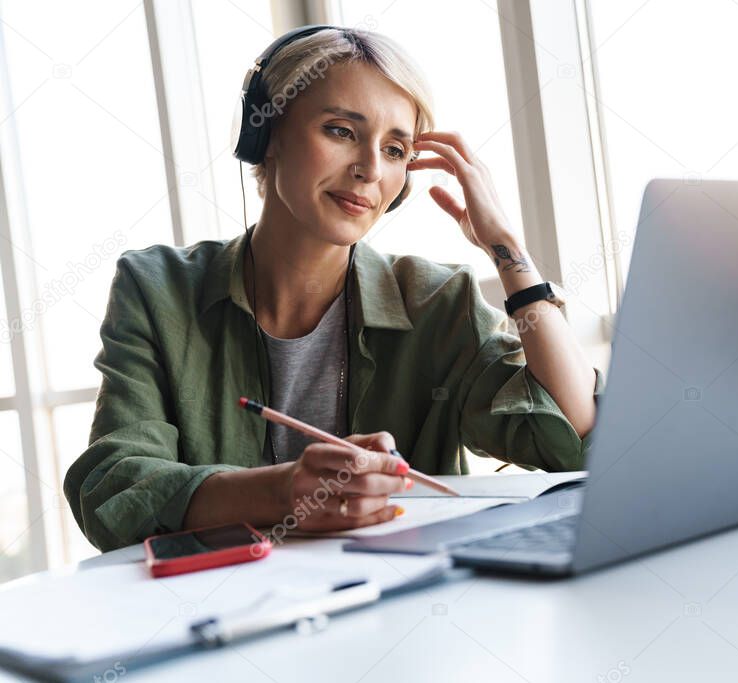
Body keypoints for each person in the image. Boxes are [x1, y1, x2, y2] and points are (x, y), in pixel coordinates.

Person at [63, 27, 605, 552]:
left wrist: (508, 250)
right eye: (342, 131)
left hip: (397, 611)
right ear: (266, 134)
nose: (370, 169)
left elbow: (568, 440)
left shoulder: (439, 301)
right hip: (210, 613)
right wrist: (282, 491)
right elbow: (113, 489)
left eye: (395, 150)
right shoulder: (157, 288)